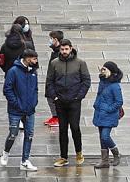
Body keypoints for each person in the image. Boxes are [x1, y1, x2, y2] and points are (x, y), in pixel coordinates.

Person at [45, 39, 91, 167]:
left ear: (71, 48)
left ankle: (79, 152)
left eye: (66, 49)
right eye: (62, 49)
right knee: (63, 129)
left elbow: (86, 81)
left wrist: (79, 97)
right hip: (60, 101)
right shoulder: (54, 63)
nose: (64, 51)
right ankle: (63, 156)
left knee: (75, 128)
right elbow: (49, 81)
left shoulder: (80, 63)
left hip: (74, 102)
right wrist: (54, 97)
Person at [1, 49, 39, 171]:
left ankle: (25, 161)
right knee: (13, 133)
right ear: (27, 58)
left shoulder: (33, 72)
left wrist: (34, 102)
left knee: (29, 135)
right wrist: (16, 104)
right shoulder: (13, 71)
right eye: (34, 59)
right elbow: (7, 89)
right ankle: (6, 152)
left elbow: (35, 89)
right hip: (16, 110)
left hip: (29, 110)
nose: (36, 61)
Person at [92, 61, 124, 168]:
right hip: (100, 113)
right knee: (102, 138)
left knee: (105, 136)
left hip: (108, 115)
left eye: (105, 69)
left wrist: (109, 109)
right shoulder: (104, 82)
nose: (103, 70)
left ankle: (116, 153)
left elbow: (119, 102)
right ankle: (104, 160)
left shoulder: (115, 86)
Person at [43, 29, 64, 127]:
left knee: (54, 99)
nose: (50, 40)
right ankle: (55, 116)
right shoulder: (55, 51)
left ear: (55, 39)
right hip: (51, 79)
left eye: (51, 39)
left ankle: (59, 118)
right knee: (50, 98)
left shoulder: (60, 52)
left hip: (56, 81)